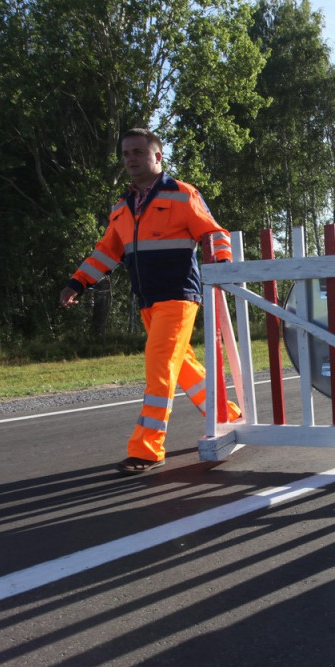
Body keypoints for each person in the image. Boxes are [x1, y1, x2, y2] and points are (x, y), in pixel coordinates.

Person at [60, 127, 240, 475]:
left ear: (158, 156)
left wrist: (221, 267)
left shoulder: (182, 195)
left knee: (159, 371)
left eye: (138, 152)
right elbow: (106, 251)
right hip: (147, 301)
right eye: (126, 153)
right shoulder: (122, 207)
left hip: (178, 297)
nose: (130, 159)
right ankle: (227, 416)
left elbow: (214, 232)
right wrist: (77, 282)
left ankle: (147, 448)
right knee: (182, 367)